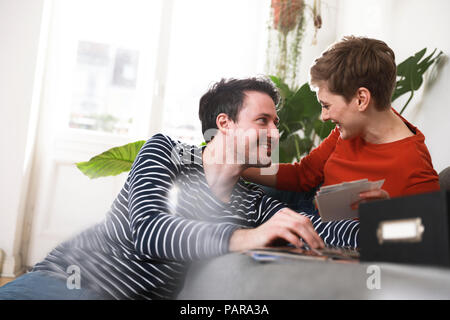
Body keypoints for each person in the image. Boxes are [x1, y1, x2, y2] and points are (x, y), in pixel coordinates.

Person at [0, 77, 330, 300]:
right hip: (66, 284)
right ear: (225, 125)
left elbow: (322, 231)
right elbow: (150, 231)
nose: (275, 133)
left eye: (275, 124)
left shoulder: (254, 203)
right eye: (263, 121)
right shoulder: (165, 152)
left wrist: (378, 222)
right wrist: (246, 237)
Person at [242, 36, 440, 246]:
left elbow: (429, 237)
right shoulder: (350, 128)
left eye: (326, 105)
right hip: (307, 204)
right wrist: (241, 166)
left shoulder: (414, 166)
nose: (323, 116)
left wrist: (387, 213)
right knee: (236, 194)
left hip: (337, 234)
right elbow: (303, 174)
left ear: (361, 99)